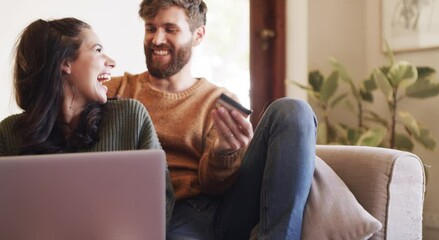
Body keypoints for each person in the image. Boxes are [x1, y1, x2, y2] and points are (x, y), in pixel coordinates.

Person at [105, 0, 317, 239]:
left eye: (170, 29)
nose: (157, 39)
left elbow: (214, 187)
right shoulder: (117, 89)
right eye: (151, 28)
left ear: (198, 35)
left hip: (223, 209)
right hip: (160, 210)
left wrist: (223, 152)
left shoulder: (219, 101)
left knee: (293, 110)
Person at [0, 17, 174, 226]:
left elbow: (162, 202)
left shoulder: (130, 117)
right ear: (65, 63)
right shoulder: (9, 133)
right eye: (98, 50)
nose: (111, 62)